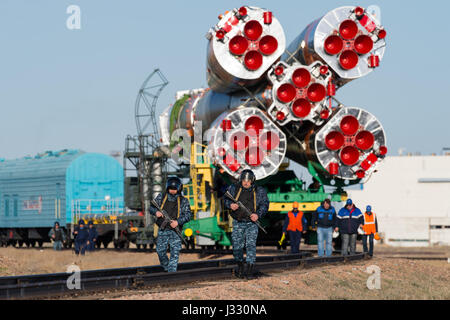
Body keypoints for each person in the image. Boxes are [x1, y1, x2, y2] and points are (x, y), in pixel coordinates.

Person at [224, 169, 269, 279]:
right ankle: (240, 267)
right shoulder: (234, 188)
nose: (246, 182)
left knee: (250, 245)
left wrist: (258, 214)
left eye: (248, 180)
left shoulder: (260, 191)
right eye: (244, 180)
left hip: (252, 223)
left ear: (252, 180)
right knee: (237, 246)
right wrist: (230, 205)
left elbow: (265, 205)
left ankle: (249, 270)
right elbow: (225, 199)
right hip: (238, 222)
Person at [149, 177, 192, 273]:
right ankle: (166, 267)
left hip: (175, 230)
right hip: (163, 229)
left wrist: (178, 222)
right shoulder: (161, 197)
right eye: (171, 189)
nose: (172, 191)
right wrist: (156, 212)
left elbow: (188, 215)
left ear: (179, 189)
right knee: (160, 251)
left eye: (174, 189)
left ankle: (171, 273)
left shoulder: (184, 201)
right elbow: (151, 207)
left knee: (175, 252)